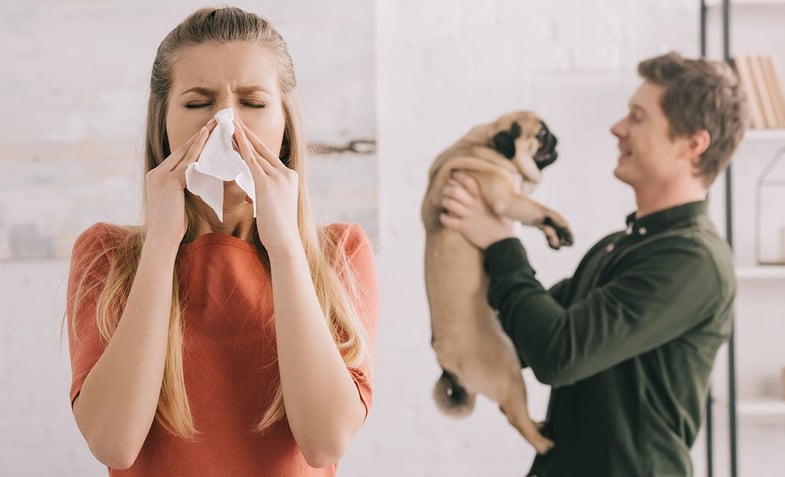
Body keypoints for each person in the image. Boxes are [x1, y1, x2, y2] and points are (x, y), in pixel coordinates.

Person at [65, 7, 378, 476]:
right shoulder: (106, 256)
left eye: (252, 102)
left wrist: (285, 246)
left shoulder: (339, 253)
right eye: (197, 104)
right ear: (163, 125)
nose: (226, 126)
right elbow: (114, 444)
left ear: (286, 126)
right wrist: (162, 245)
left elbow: (325, 440)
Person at [439, 51, 748, 476]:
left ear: (693, 144)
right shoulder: (617, 247)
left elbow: (558, 355)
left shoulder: (693, 260)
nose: (617, 128)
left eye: (638, 117)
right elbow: (524, 341)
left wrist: (500, 241)